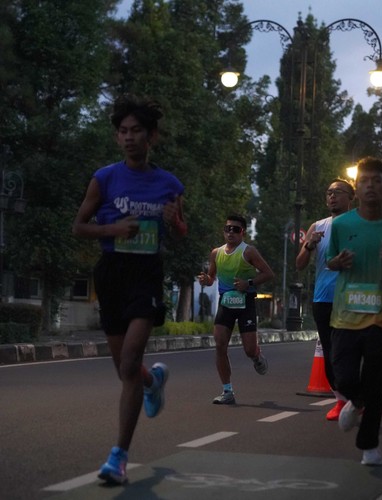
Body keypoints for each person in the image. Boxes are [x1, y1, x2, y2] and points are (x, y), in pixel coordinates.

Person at [73, 95, 187, 485]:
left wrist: (174, 222)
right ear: (117, 137)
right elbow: (79, 226)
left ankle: (118, 457)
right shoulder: (104, 178)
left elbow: (181, 230)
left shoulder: (169, 184)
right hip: (112, 272)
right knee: (126, 370)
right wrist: (114, 229)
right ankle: (152, 381)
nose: (128, 137)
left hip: (146, 274)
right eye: (122, 131)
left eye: (136, 131)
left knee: (130, 359)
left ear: (151, 136)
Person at [326, 157, 382, 466]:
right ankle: (356, 400)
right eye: (364, 181)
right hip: (345, 316)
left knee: (376, 384)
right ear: (357, 188)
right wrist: (338, 262)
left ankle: (369, 446)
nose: (370, 186)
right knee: (343, 377)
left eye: (377, 181)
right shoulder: (341, 225)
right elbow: (329, 262)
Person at [198, 215, 274, 404]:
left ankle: (256, 355)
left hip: (245, 303)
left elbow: (268, 274)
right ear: (223, 231)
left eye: (236, 229)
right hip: (226, 303)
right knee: (219, 344)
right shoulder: (216, 253)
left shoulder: (249, 252)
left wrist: (248, 283)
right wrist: (206, 280)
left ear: (243, 232)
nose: (231, 232)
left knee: (248, 350)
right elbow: (211, 277)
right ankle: (227, 391)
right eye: (228, 229)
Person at [296, 179, 354, 421]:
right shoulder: (317, 227)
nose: (332, 196)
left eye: (338, 192)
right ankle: (341, 400)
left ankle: (356, 396)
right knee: (331, 351)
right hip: (323, 297)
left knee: (349, 349)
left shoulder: (359, 224)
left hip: (352, 298)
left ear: (351, 197)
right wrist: (309, 246)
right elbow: (300, 265)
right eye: (329, 192)